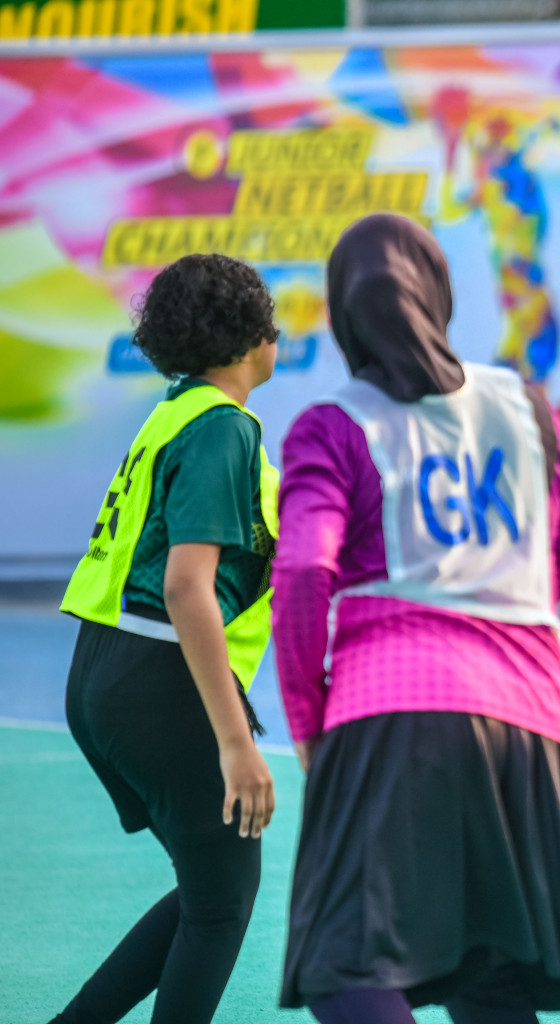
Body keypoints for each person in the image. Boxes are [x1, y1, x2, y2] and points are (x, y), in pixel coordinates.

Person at [273, 213, 560, 1024]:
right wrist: (497, 599)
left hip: (390, 707)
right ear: (440, 294)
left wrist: (309, 717)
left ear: (344, 314)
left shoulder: (333, 425)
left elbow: (305, 567)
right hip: (530, 715)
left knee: (344, 964)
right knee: (492, 967)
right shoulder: (524, 406)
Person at [52, 254, 280, 1024]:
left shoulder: (172, 414)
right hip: (158, 677)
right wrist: (234, 740)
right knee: (221, 903)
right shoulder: (223, 425)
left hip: (100, 672)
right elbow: (187, 586)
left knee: (208, 888)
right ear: (250, 335)